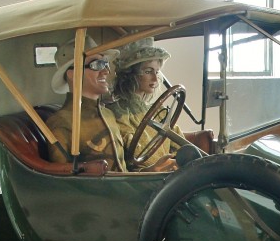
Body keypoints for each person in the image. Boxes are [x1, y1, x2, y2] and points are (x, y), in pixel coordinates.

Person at [45, 36, 126, 171]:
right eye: (97, 65)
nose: (106, 71)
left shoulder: (108, 114)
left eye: (105, 64)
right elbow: (64, 179)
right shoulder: (62, 121)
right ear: (73, 74)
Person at [109, 37, 183, 171]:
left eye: (157, 72)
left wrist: (175, 161)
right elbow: (128, 162)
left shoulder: (159, 112)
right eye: (148, 71)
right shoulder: (117, 113)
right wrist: (154, 169)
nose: (155, 79)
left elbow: (181, 145)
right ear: (130, 74)